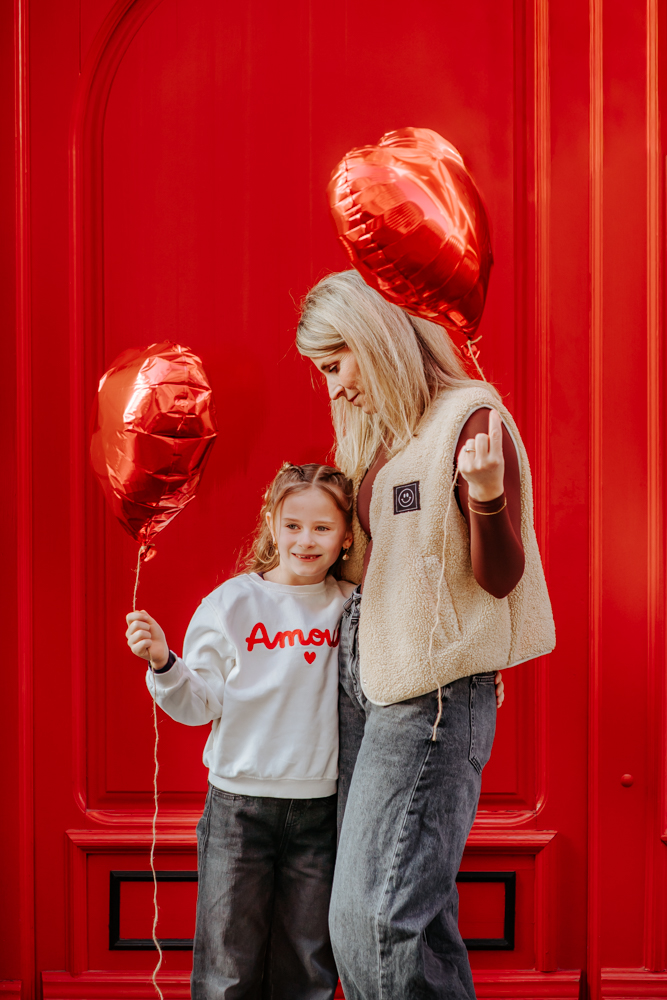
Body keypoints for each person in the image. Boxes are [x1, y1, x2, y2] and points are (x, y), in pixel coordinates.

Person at [296, 270, 555, 1000]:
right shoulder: (388, 438)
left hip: (430, 697)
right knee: (416, 917)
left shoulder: (470, 418)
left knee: (371, 920)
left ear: (374, 337)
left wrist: (487, 495)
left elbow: (500, 579)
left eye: (336, 363)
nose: (335, 387)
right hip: (370, 687)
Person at [125, 463, 357, 1000]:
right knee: (227, 966)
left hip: (322, 812)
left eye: (322, 528)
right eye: (293, 525)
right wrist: (164, 662)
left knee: (308, 967)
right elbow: (199, 704)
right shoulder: (231, 604)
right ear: (272, 523)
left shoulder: (351, 606)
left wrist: (474, 683)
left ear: (346, 537)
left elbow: (399, 670)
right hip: (239, 810)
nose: (306, 540)